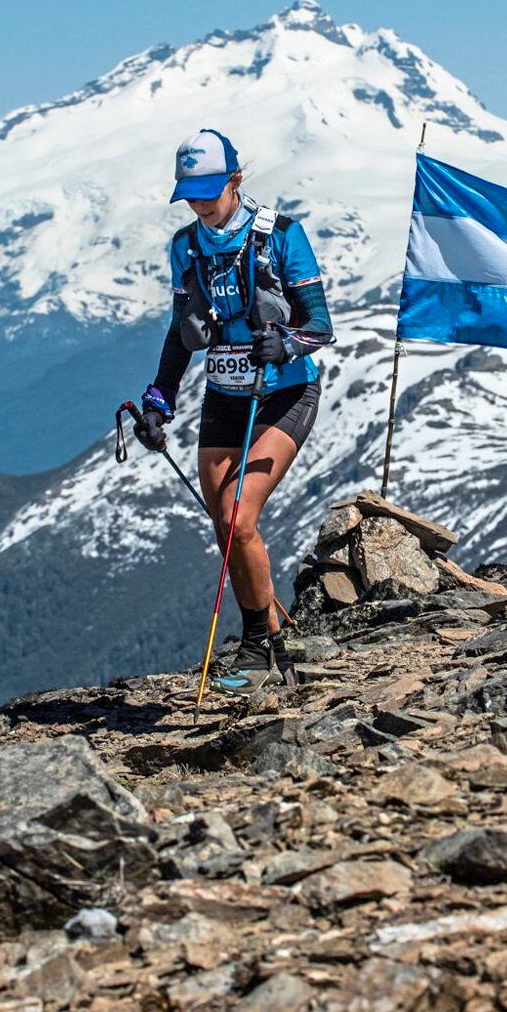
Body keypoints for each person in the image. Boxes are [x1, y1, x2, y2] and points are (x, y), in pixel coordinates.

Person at [134, 130, 335, 692]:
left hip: (284, 393)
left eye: (209, 192)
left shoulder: (282, 236)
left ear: (236, 180)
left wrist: (287, 343)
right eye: (190, 195)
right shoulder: (185, 247)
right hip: (224, 394)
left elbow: (321, 327)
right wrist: (159, 400)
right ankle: (274, 639)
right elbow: (180, 333)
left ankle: (255, 649)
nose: (199, 205)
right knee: (225, 526)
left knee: (240, 516)